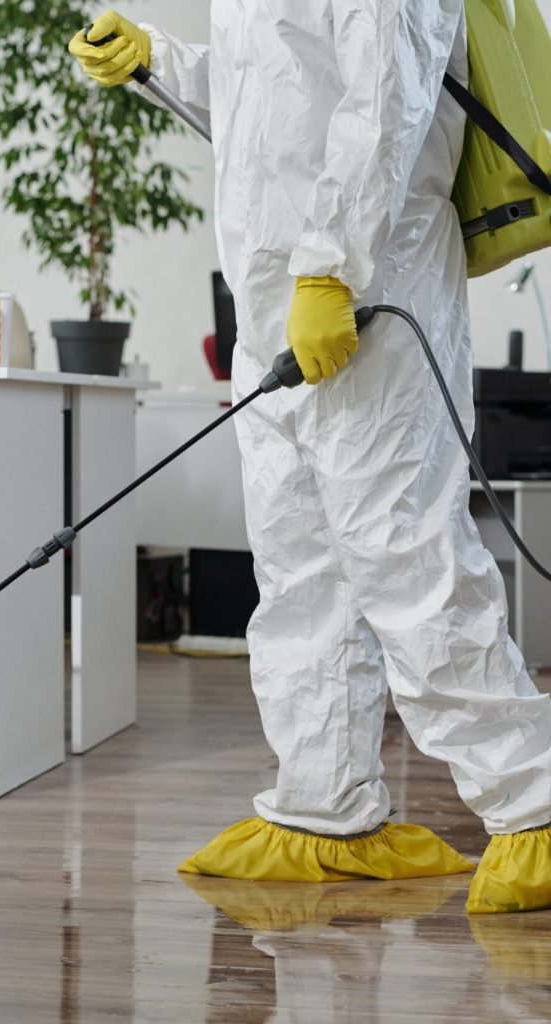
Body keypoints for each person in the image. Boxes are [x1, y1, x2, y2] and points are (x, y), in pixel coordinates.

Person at [69, 3, 551, 914]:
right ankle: (323, 806)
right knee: (300, 568)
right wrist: (160, 64)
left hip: (373, 290)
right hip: (272, 306)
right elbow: (274, 104)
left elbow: (389, 97)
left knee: (407, 558)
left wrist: (333, 266)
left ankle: (536, 802)